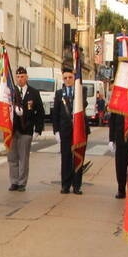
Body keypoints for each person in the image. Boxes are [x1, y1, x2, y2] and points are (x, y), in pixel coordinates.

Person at [7, 67, 44, 192]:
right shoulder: (11, 92)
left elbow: (40, 112)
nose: (19, 79)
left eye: (22, 77)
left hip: (26, 129)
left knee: (23, 158)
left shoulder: (33, 93)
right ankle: (14, 182)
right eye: (17, 77)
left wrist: (38, 129)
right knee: (12, 158)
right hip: (12, 130)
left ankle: (22, 183)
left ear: (26, 77)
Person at [51, 67, 82, 195]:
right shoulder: (59, 93)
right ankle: (65, 185)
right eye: (65, 78)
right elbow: (55, 114)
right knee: (66, 158)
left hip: (79, 130)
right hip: (65, 131)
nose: (68, 80)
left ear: (74, 78)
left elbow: (83, 106)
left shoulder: (81, 91)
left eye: (70, 77)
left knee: (78, 158)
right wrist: (56, 131)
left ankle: (77, 186)